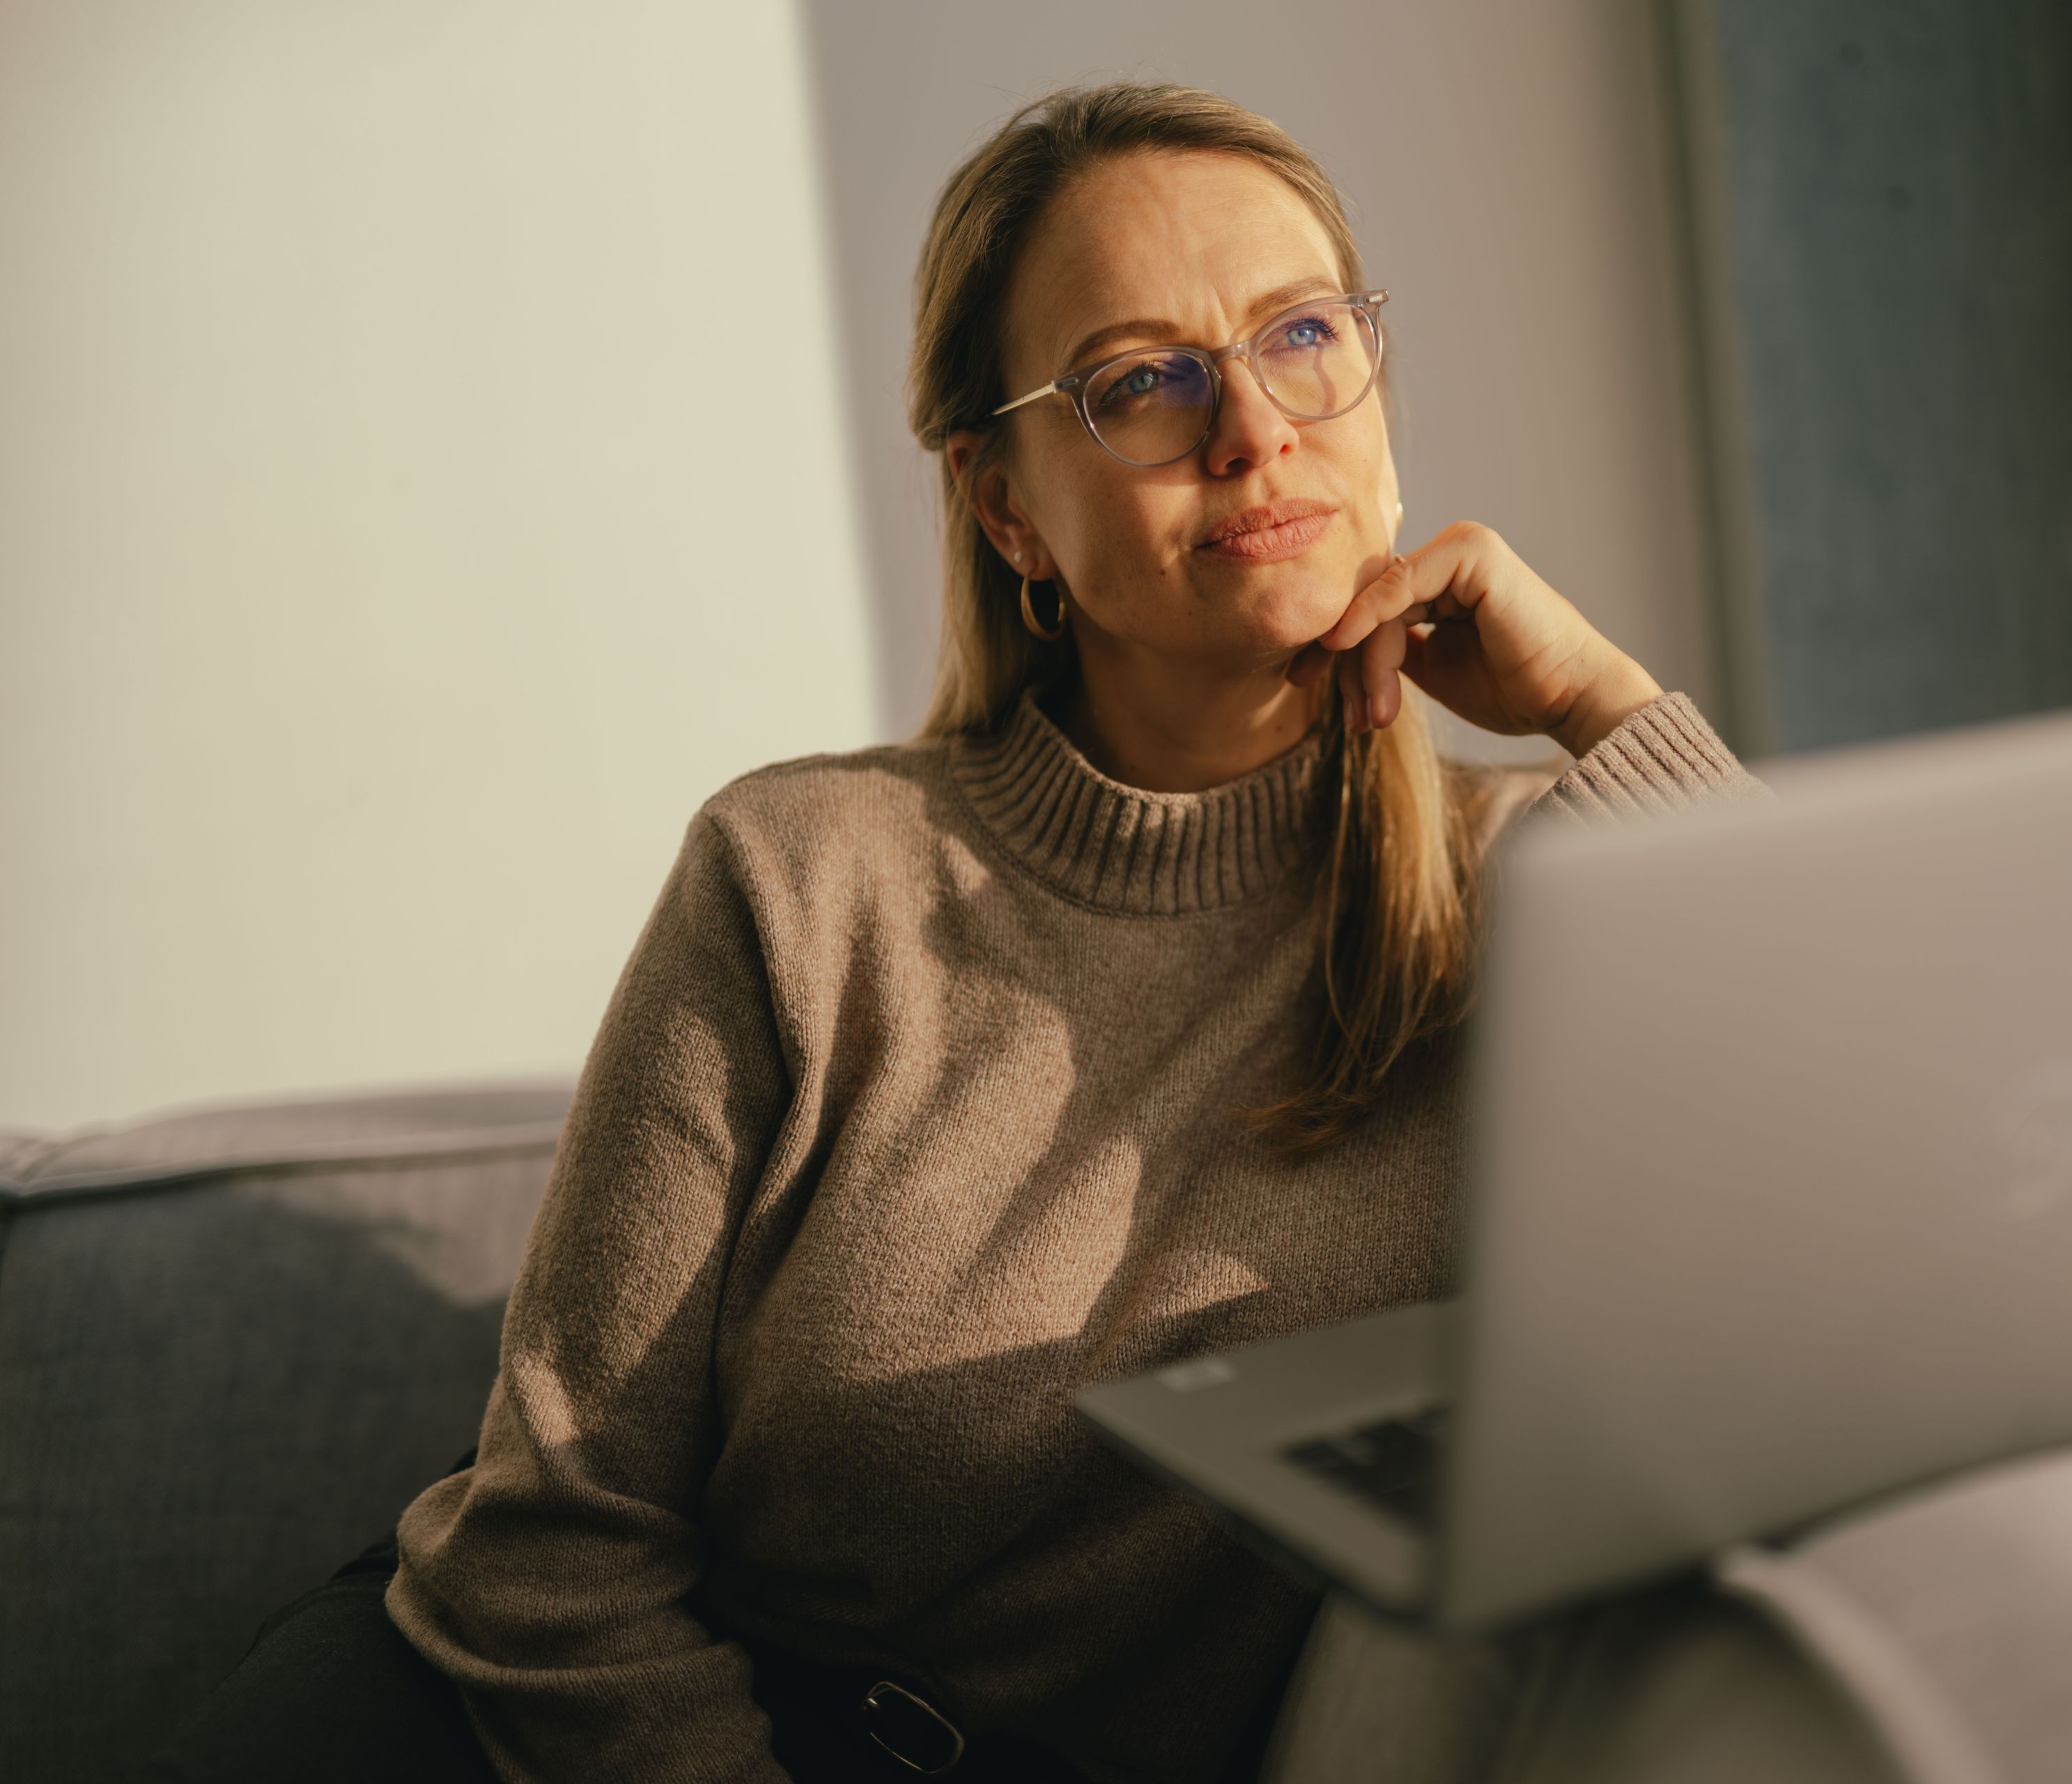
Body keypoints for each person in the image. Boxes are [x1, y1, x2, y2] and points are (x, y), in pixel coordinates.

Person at [155, 82, 1749, 1784]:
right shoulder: (801, 877)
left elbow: (1924, 1173)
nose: (1255, 433)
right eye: (1146, 380)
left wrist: (1604, 704)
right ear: (1007, 509)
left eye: (1301, 337)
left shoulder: (1537, 902)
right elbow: (550, 1556)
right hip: (503, 1735)